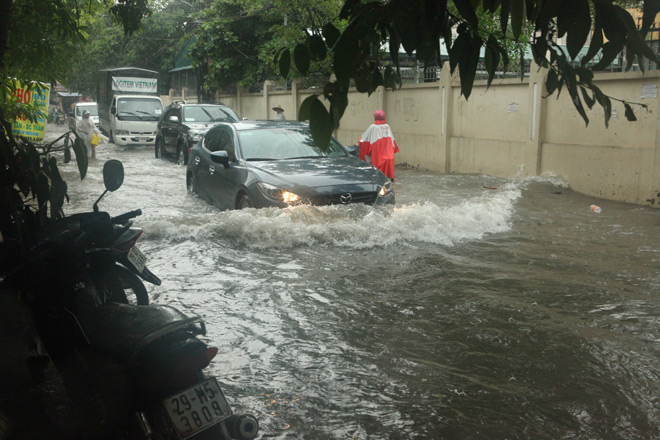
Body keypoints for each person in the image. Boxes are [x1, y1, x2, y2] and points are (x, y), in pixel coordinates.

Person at [358, 110, 399, 181]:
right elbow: (392, 141)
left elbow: (364, 139)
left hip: (377, 155)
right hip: (388, 155)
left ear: (375, 118)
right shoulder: (387, 126)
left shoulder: (373, 127)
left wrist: (360, 141)